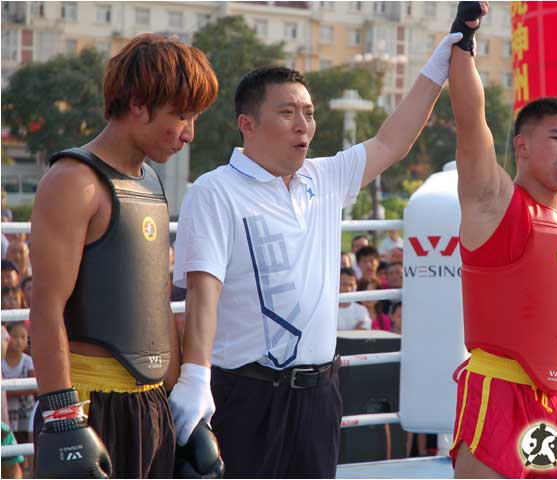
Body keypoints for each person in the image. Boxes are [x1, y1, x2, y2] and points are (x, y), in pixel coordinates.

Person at [172, 30, 464, 478]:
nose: (302, 124)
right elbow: (202, 293)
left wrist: (440, 64)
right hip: (246, 395)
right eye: (287, 112)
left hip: (319, 396)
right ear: (247, 124)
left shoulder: (325, 178)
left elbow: (393, 141)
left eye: (308, 113)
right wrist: (195, 378)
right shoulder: (215, 191)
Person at [447, 3, 557, 477]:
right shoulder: (494, 202)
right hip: (498, 392)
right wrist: (463, 44)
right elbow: (471, 123)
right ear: (522, 145)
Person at [29, 34, 218, 478]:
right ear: (138, 104)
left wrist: (183, 413)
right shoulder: (74, 181)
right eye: (182, 115)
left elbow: (154, 306)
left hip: (151, 403)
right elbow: (45, 307)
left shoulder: (150, 183)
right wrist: (62, 417)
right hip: (88, 401)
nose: (189, 133)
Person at [1, 322, 36, 474]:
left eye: (23, 337)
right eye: (14, 337)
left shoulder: (28, 361)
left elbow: (34, 387)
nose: (19, 341)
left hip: (24, 409)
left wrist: (9, 390)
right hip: (7, 410)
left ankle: (25, 470)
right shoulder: (2, 362)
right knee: (9, 437)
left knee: (23, 438)